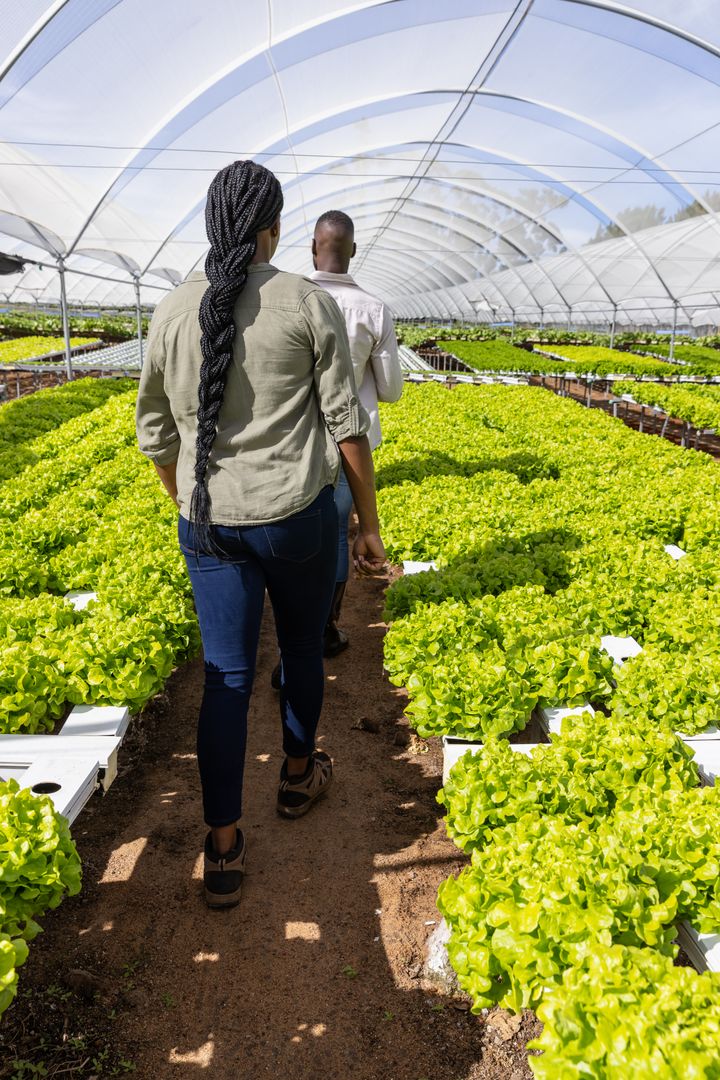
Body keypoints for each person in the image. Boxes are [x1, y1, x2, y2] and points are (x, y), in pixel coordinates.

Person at [135, 161, 386, 910]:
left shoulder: (173, 310)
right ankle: (299, 775)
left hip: (209, 524)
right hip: (297, 519)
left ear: (211, 225)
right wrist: (368, 526)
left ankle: (222, 847)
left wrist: (187, 501)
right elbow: (346, 424)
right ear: (272, 230)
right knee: (303, 647)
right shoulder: (303, 302)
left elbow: (154, 433)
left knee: (226, 678)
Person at [310, 210, 403, 653]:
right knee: (338, 533)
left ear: (313, 247)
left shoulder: (291, 299)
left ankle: (298, 632)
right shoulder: (373, 309)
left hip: (296, 442)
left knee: (296, 531)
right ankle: (326, 626)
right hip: (351, 447)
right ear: (353, 251)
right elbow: (391, 391)